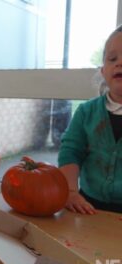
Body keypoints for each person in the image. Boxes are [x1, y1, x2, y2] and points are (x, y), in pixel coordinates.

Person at [58, 25, 122, 215]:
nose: (120, 63)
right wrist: (70, 192)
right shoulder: (87, 112)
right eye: (113, 59)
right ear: (103, 70)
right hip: (88, 206)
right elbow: (71, 151)